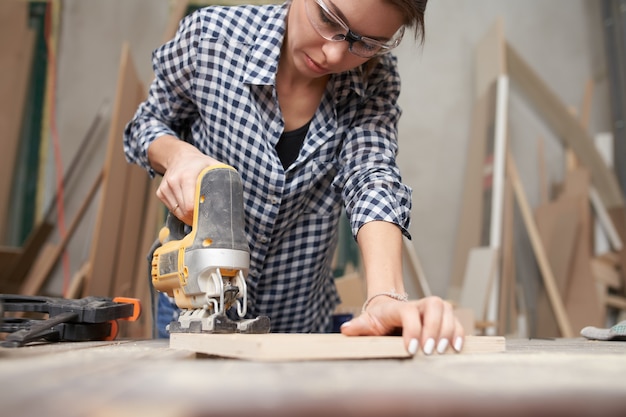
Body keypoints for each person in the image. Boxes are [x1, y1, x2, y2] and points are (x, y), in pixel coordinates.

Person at [124, 0, 464, 355]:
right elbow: (146, 125)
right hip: (193, 301)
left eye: (366, 43)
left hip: (298, 319)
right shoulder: (211, 37)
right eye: (328, 19)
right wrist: (179, 155)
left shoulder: (374, 78)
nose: (333, 54)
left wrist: (384, 297)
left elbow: (371, 175)